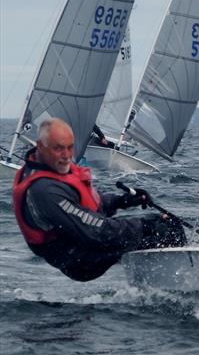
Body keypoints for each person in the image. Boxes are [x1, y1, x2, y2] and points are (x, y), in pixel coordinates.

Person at [12, 117, 186, 282]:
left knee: (165, 226)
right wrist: (145, 226)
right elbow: (95, 231)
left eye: (70, 147)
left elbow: (90, 203)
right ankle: (184, 277)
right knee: (163, 228)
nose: (66, 155)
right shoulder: (45, 190)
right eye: (58, 148)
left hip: (83, 242)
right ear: (41, 147)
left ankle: (165, 278)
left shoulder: (50, 167)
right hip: (78, 259)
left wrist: (122, 201)